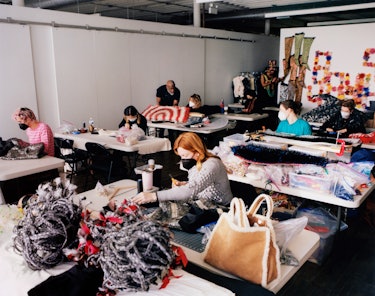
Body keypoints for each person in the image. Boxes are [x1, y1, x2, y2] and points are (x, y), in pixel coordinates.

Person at [132, 132, 233, 206]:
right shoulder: (197, 162)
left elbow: (190, 191)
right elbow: (198, 184)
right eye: (181, 156)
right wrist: (184, 184)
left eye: (185, 155)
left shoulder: (211, 165)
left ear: (197, 151)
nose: (183, 160)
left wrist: (154, 196)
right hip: (205, 203)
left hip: (221, 208)